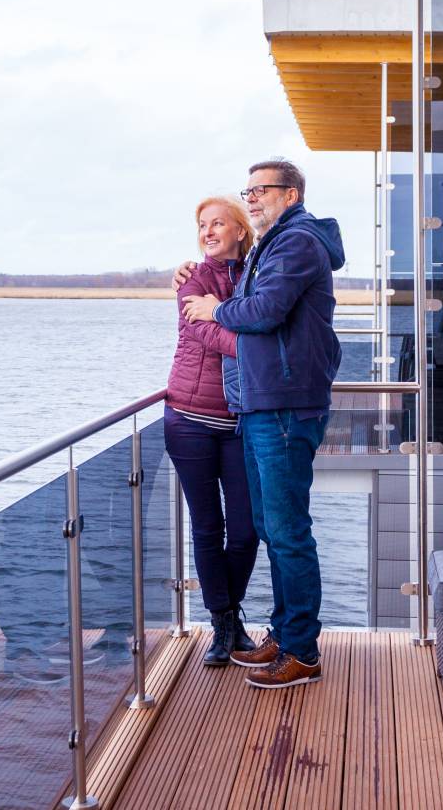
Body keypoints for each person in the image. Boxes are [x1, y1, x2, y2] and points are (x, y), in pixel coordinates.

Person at [180, 159, 343, 689]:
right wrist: (196, 283)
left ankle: (302, 652)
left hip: (285, 405)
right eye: (246, 190)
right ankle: (285, 632)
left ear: (290, 195)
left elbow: (266, 309)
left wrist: (213, 310)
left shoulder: (296, 243)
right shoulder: (273, 244)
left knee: (289, 533)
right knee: (275, 530)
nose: (250, 198)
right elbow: (246, 298)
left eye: (260, 190)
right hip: (263, 402)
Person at [165, 196, 261, 666]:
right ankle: (224, 622)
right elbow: (209, 335)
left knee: (246, 531)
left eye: (218, 222)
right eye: (201, 224)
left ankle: (229, 613)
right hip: (189, 421)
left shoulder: (258, 273)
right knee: (208, 527)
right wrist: (255, 343)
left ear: (240, 230)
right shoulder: (194, 281)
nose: (207, 231)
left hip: (241, 422)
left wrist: (229, 320)